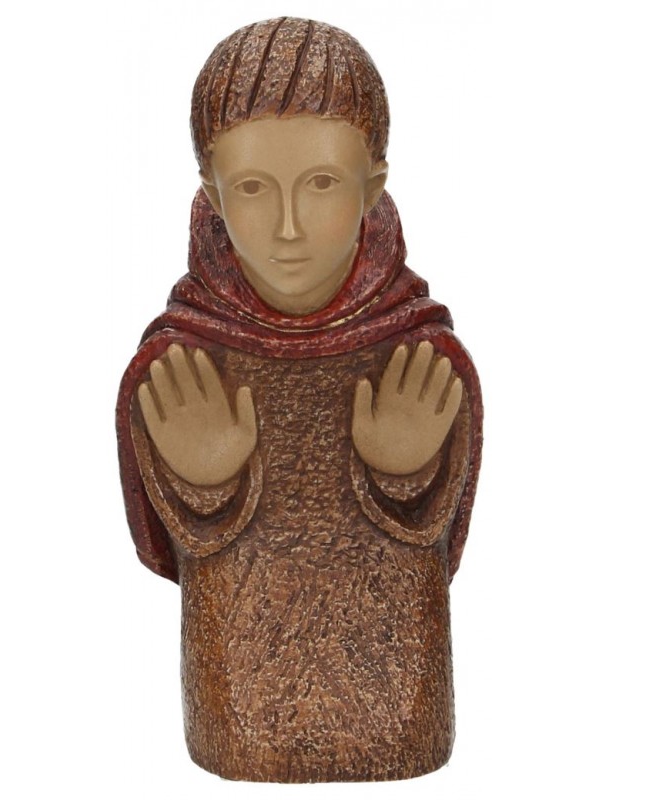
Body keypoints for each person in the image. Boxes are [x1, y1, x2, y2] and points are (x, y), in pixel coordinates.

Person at [116, 17, 483, 782]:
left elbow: (445, 540)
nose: (288, 228)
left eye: (321, 183)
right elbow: (161, 550)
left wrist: (407, 475)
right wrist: (201, 484)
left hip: (400, 701)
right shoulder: (186, 359)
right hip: (240, 699)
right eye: (253, 188)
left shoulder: (413, 349)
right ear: (212, 193)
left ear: (372, 186)